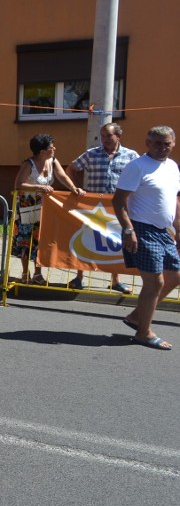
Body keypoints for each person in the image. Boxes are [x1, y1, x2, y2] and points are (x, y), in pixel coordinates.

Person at [112, 126, 180, 351]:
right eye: (157, 143)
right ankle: (144, 332)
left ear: (173, 143)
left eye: (166, 143)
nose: (162, 148)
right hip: (141, 229)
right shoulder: (137, 166)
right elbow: (119, 201)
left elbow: (174, 200)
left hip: (163, 230)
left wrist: (178, 229)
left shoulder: (172, 167)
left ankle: (136, 317)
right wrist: (128, 230)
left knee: (176, 275)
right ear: (148, 144)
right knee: (155, 282)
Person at [65, 123, 139, 292]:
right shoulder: (92, 154)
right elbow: (71, 169)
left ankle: (115, 280)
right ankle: (79, 277)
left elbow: (139, 176)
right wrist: (77, 189)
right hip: (93, 205)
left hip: (118, 206)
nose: (104, 140)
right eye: (102, 136)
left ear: (118, 137)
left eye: (108, 136)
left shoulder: (131, 155)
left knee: (115, 241)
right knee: (87, 238)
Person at [12, 133, 85, 285]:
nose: (54, 149)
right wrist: (39, 187)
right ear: (42, 151)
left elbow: (62, 176)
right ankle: (25, 273)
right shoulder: (29, 164)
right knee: (27, 240)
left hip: (45, 207)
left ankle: (38, 273)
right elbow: (19, 184)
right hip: (28, 207)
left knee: (41, 239)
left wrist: (73, 188)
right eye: (51, 147)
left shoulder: (52, 160)